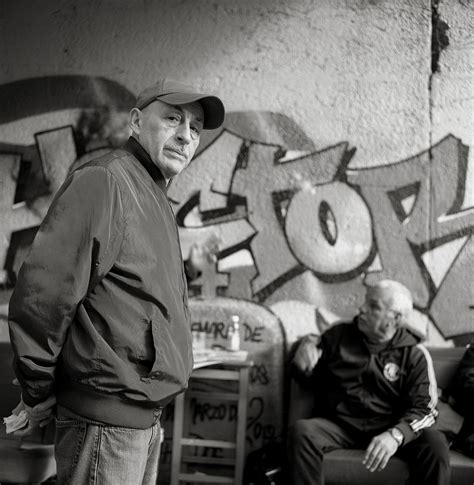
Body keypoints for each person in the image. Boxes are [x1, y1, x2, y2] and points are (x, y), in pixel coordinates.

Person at [7, 78, 225, 485]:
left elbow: (136, 292)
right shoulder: (106, 180)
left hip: (141, 421)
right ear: (137, 121)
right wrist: (37, 391)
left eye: (195, 128)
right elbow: (43, 294)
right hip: (105, 424)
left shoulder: (152, 193)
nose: (186, 136)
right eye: (173, 119)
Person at [287, 280, 450, 485]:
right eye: (365, 301)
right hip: (341, 427)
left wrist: (396, 435)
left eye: (373, 306)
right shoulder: (337, 337)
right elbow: (306, 377)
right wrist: (303, 353)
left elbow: (426, 411)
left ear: (395, 318)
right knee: (302, 432)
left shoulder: (414, 355)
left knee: (435, 444)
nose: (362, 309)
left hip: (390, 426)